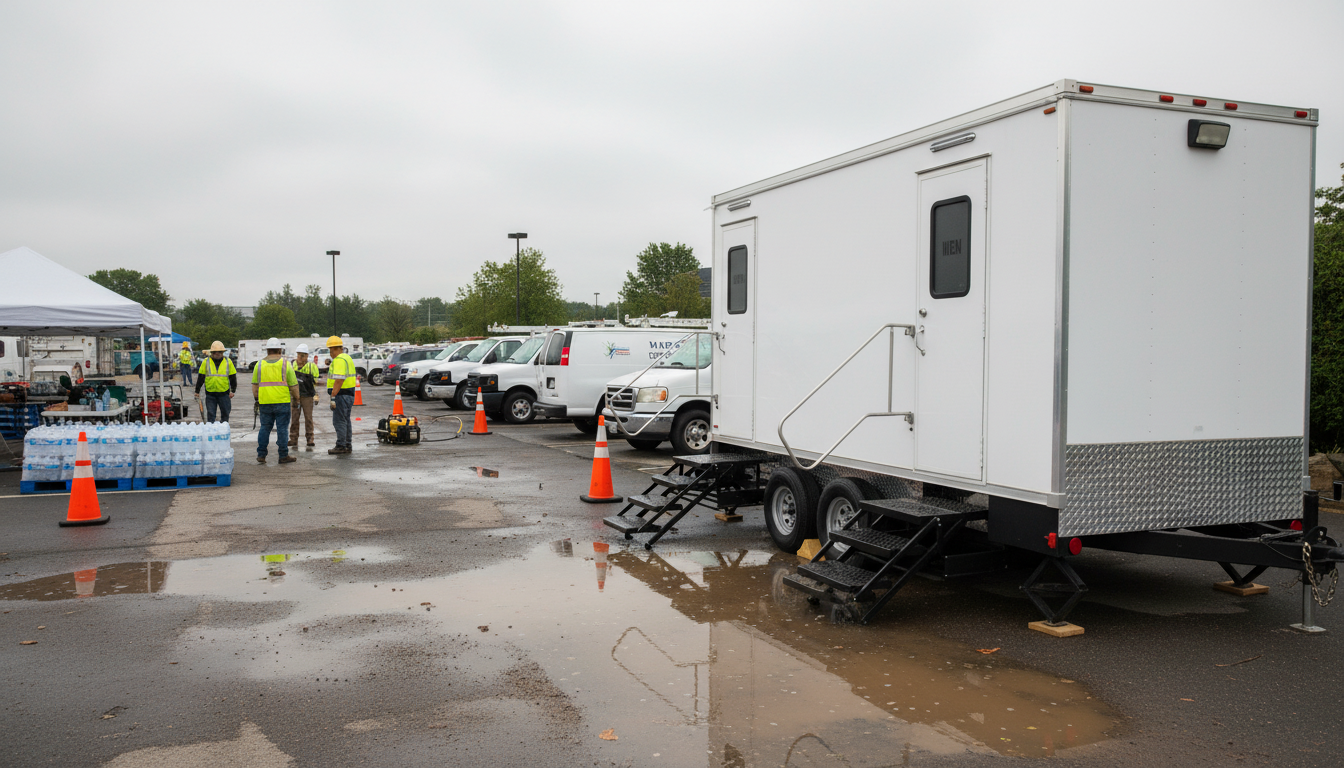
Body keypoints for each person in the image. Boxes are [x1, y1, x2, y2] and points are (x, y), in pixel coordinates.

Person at [251, 338, 299, 464]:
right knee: (282, 429)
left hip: (265, 401)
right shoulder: (285, 364)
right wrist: (297, 398)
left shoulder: (259, 364)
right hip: (282, 401)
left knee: (265, 428)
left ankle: (261, 455)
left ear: (267, 350)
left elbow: (255, 386)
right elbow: (293, 385)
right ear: (279, 349)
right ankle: (283, 455)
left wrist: (257, 399)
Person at [325, 336, 357, 454]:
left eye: (330, 350)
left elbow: (339, 379)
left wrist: (333, 396)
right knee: (346, 420)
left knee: (339, 421)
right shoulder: (347, 358)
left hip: (341, 394)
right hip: (349, 394)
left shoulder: (339, 360)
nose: (330, 353)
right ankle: (347, 444)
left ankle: (341, 445)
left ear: (335, 349)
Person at [195, 341, 237, 422]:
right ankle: (212, 432)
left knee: (225, 414)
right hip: (210, 394)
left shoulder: (228, 362)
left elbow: (233, 377)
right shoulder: (206, 362)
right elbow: (201, 377)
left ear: (223, 352)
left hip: (224, 393)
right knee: (211, 415)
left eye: (220, 352)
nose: (217, 354)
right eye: (215, 352)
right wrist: (197, 391)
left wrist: (233, 390)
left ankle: (223, 430)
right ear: (212, 352)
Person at [289, 343, 320, 449]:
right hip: (295, 396)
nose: (300, 358)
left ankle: (310, 438)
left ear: (307, 356)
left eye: (303, 355)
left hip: (307, 396)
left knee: (308, 418)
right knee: (294, 418)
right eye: (299, 355)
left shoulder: (312, 367)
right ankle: (293, 439)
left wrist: (316, 395)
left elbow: (316, 381)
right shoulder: (292, 365)